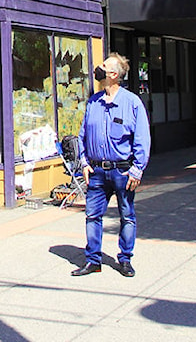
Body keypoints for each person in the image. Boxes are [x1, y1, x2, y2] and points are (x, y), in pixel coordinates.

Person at [72, 52, 150, 278]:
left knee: (127, 216)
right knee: (92, 216)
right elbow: (82, 135)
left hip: (123, 171)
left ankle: (125, 260)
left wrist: (137, 169)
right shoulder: (94, 102)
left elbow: (142, 139)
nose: (98, 68)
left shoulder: (132, 103)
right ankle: (93, 260)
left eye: (104, 66)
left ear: (114, 74)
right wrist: (84, 163)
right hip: (96, 172)